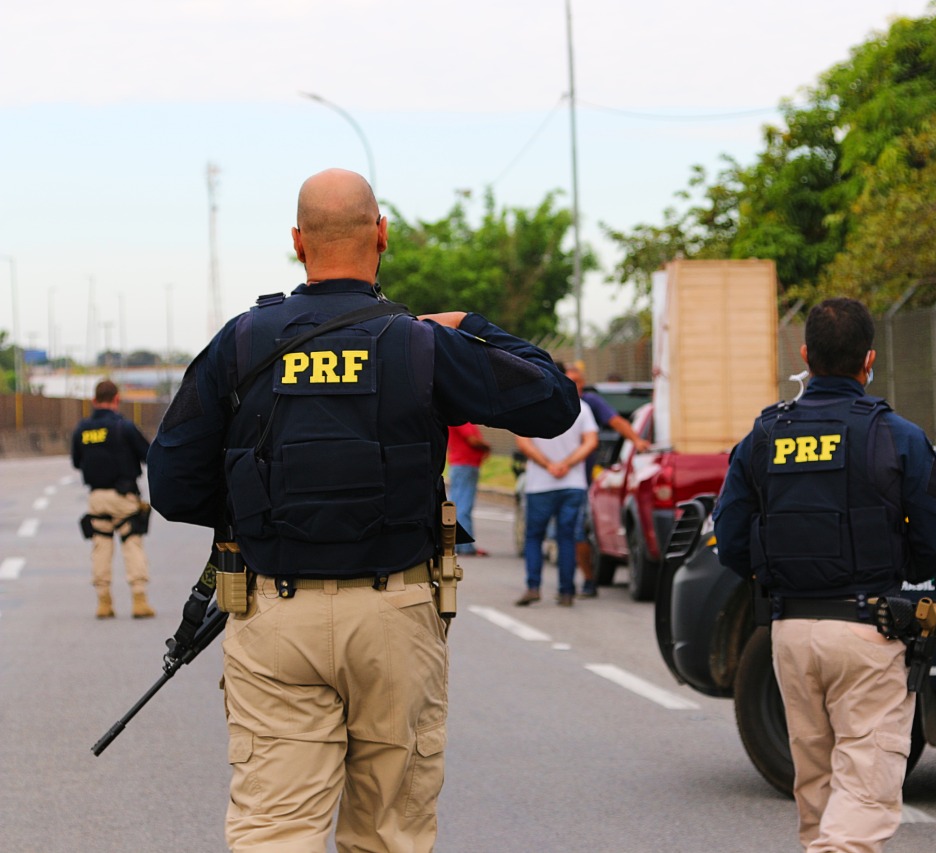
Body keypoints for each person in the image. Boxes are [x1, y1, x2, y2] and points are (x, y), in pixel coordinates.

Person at [146, 168, 579, 852]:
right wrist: (471, 325)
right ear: (382, 234)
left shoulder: (242, 343)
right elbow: (555, 400)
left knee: (274, 831)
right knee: (387, 834)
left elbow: (171, 485)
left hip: (274, 612)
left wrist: (264, 509)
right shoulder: (422, 344)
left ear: (297, 242)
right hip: (396, 614)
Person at [713, 297, 936, 853]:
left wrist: (775, 573)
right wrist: (900, 574)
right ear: (869, 361)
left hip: (789, 635)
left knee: (819, 792)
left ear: (806, 355)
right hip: (868, 630)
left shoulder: (763, 435)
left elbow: (728, 537)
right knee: (864, 794)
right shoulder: (895, 435)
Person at [513, 365, 598, 607]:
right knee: (567, 537)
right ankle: (567, 591)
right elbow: (591, 441)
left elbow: (523, 442)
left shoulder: (530, 404)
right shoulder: (582, 408)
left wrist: (549, 465)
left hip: (540, 484)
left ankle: (533, 587)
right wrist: (567, 464)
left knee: (534, 537)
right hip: (572, 483)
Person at [71, 378, 155, 619]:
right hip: (124, 497)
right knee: (131, 543)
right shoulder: (124, 427)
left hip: (96, 497)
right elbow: (148, 455)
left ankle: (104, 602)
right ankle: (139, 600)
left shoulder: (82, 429)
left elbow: (77, 462)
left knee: (101, 546)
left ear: (94, 401)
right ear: (117, 399)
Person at [562, 363, 649, 596]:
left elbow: (616, 421)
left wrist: (636, 440)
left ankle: (587, 581)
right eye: (571, 382)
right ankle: (565, 585)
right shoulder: (550, 401)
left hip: (581, 480)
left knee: (578, 531)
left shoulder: (589, 403)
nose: (576, 387)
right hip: (550, 479)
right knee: (565, 534)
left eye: (579, 382)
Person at [447, 423, 490, 556]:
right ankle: (464, 546)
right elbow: (472, 440)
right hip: (465, 464)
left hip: (460, 464)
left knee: (457, 504)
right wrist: (487, 446)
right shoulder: (461, 419)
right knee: (463, 506)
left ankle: (457, 544)